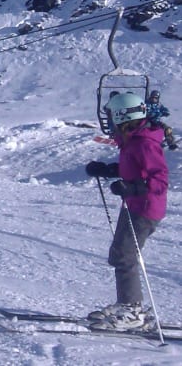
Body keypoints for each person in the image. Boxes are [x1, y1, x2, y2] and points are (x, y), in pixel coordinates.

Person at [84, 92, 169, 330]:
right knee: (120, 253)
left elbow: (160, 180)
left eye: (111, 117)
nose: (108, 123)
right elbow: (133, 169)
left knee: (124, 255)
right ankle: (129, 305)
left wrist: (132, 187)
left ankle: (132, 311)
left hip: (144, 208)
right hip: (135, 205)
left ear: (123, 116)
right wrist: (107, 170)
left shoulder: (144, 143)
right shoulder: (133, 141)